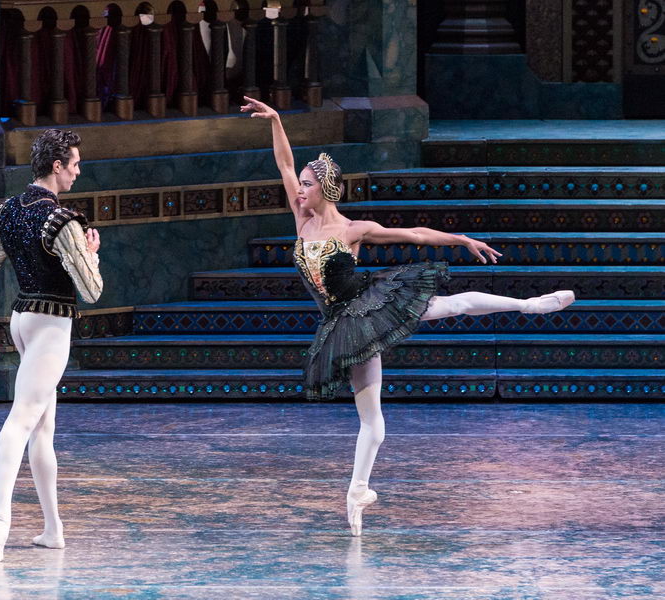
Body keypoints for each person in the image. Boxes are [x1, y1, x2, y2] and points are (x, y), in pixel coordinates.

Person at [241, 97, 575, 536]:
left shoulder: (352, 230)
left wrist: (458, 238)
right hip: (345, 326)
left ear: (325, 189)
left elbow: (414, 234)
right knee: (372, 424)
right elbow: (283, 165)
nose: (299, 190)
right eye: (299, 184)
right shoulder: (301, 222)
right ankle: (357, 491)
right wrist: (278, 122)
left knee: (451, 304)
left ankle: (530, 304)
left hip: (371, 306)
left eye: (307, 184)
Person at [0, 129, 103, 562]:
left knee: (44, 430)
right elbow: (92, 290)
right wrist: (92, 254)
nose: (79, 172)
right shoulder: (61, 221)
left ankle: (53, 529)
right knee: (22, 422)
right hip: (50, 326)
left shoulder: (8, 211)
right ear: (57, 166)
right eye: (75, 164)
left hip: (22, 319)